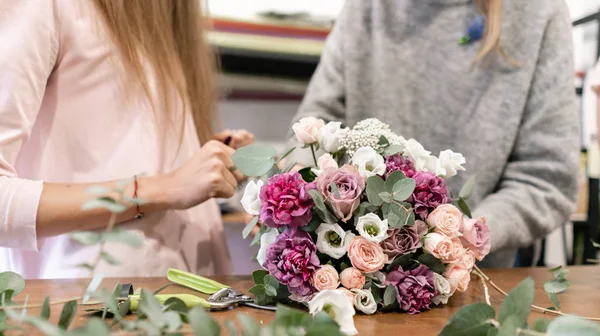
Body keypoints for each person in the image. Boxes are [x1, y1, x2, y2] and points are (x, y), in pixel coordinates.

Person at [291, 0, 580, 267]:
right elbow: (312, 134)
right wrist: (293, 188)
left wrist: (460, 237)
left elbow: (547, 179)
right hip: (353, 277)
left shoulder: (538, 10)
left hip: (476, 281)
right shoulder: (366, 7)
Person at [0, 0, 252, 279]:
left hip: (186, 293)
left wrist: (194, 156)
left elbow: (110, 146)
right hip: (91, 306)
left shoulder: (162, 18)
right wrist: (164, 188)